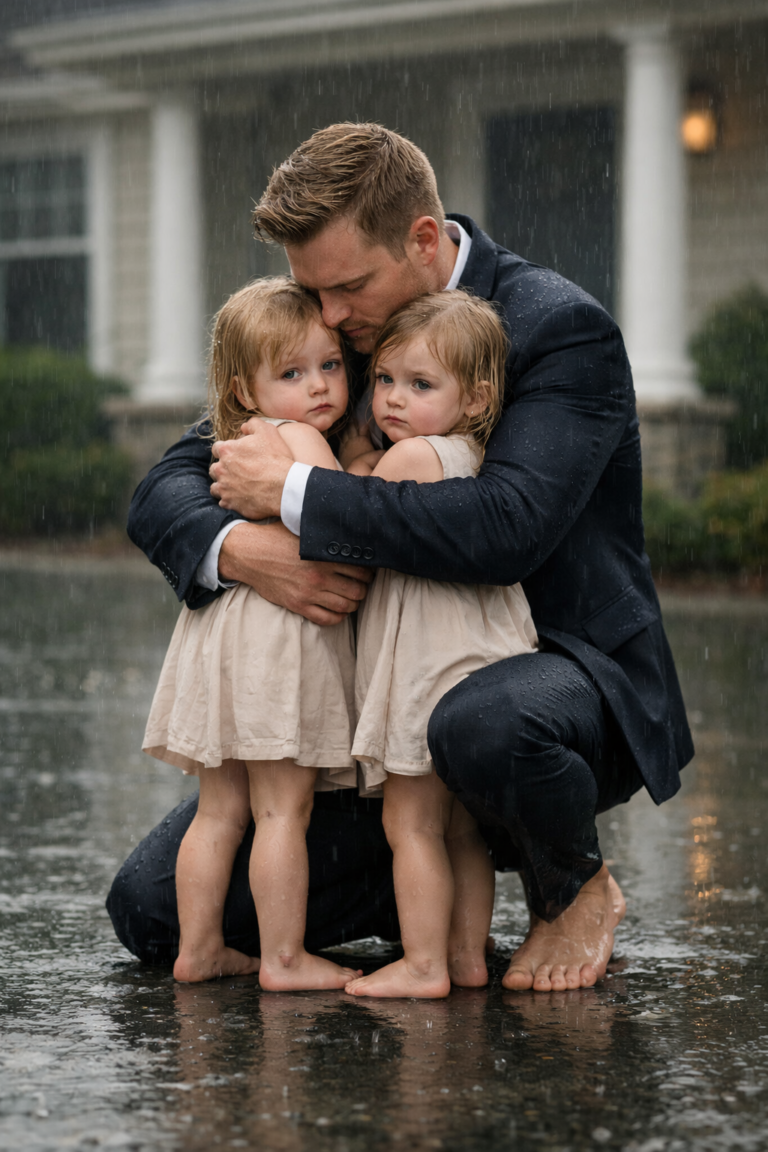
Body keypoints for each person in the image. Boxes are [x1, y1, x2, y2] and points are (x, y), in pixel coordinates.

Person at [113, 122, 693, 994]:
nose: (329, 317)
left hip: (551, 676)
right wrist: (248, 553)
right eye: (315, 291)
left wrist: (299, 496)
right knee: (153, 910)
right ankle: (415, 889)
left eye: (347, 287)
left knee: (481, 722)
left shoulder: (558, 329)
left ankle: (571, 881)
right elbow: (168, 485)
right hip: (376, 705)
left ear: (423, 240)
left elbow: (506, 526)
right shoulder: (343, 327)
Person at [141, 276, 362, 990]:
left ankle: (199, 948)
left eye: (330, 365)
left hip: (222, 627)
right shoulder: (300, 439)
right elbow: (344, 521)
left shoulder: (233, 444)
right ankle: (284, 958)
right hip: (278, 634)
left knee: (220, 810)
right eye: (292, 373)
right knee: (282, 809)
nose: (319, 386)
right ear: (243, 389)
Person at [340, 290, 538, 999]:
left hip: (432, 666)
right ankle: (465, 957)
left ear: (476, 398)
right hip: (479, 659)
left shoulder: (415, 457)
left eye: (421, 385)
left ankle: (423, 965)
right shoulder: (471, 455)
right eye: (385, 379)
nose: (394, 398)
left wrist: (347, 460)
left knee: (410, 820)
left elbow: (351, 507)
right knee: (459, 830)